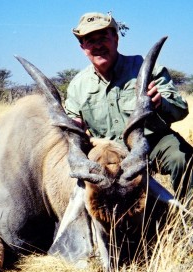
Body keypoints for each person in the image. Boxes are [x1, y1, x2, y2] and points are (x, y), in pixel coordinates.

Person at [65, 12, 193, 199]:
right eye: (90, 41)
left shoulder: (146, 68)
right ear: (83, 47)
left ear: (116, 39)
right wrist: (74, 126)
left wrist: (161, 103)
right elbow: (73, 121)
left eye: (103, 38)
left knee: (181, 157)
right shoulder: (77, 85)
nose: (98, 45)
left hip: (151, 142)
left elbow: (180, 109)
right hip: (108, 154)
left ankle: (188, 217)